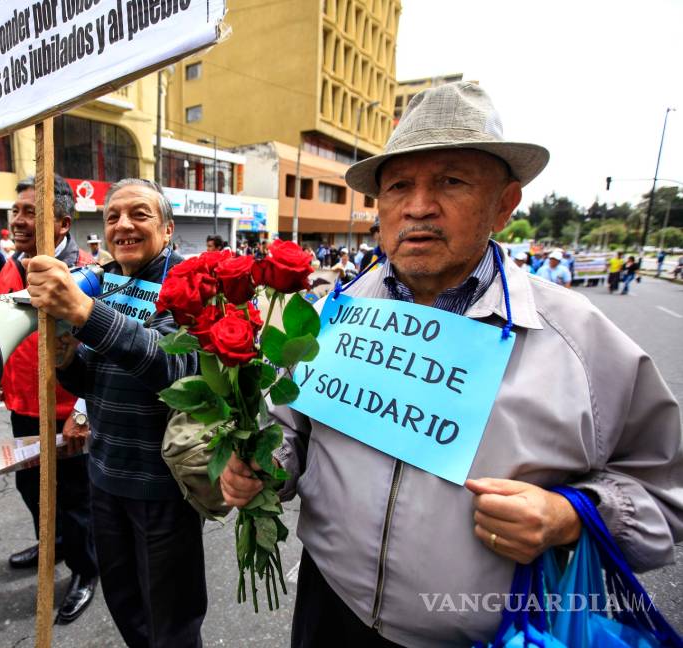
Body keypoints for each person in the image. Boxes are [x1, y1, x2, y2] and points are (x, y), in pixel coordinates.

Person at [220, 82, 683, 647]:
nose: (418, 206)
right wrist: (266, 467)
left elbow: (663, 494)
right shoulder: (330, 317)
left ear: (505, 204)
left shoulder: (581, 342)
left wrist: (568, 516)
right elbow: (292, 431)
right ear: (380, 206)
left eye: (451, 181)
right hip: (328, 609)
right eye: (399, 186)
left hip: (483, 634)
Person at [25, 179, 206, 647]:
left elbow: (175, 370)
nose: (123, 225)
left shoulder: (189, 285)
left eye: (139, 214)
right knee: (126, 606)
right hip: (104, 477)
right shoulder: (104, 282)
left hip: (163, 487)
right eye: (112, 217)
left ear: (167, 230)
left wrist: (85, 313)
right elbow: (90, 380)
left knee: (172, 621)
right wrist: (65, 357)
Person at [0, 175, 97, 624]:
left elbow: (99, 352)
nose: (18, 219)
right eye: (16, 211)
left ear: (63, 221)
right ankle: (50, 545)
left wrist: (83, 412)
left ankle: (85, 571)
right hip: (22, 405)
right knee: (30, 486)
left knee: (74, 499)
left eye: (31, 212)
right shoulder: (11, 265)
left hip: (66, 412)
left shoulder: (87, 273)